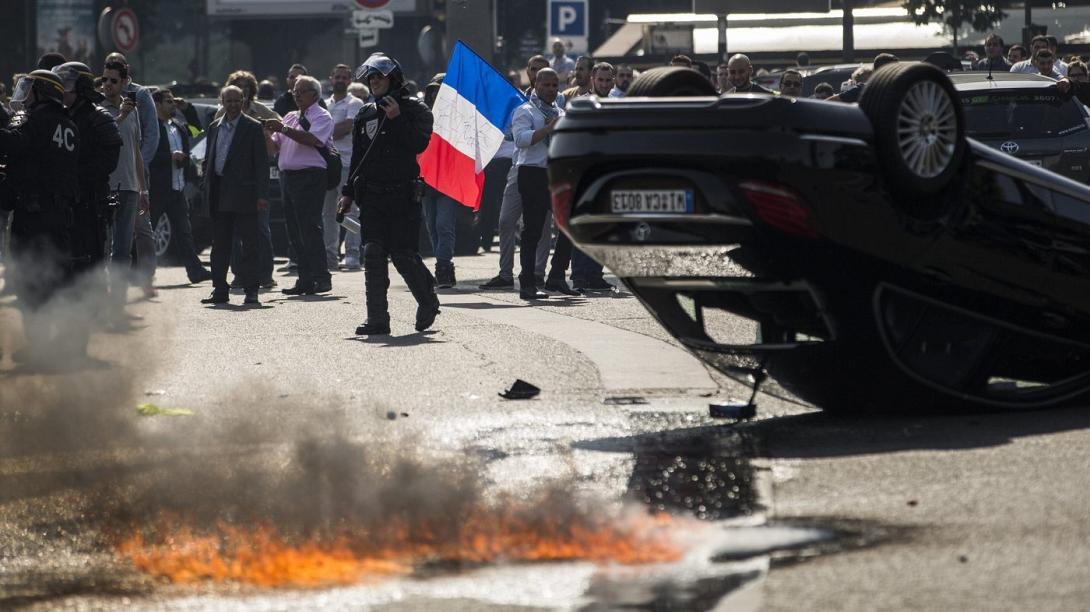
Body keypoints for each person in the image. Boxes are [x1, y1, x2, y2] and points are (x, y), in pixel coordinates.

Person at [336, 52, 439, 335]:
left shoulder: (415, 109)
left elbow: (418, 144)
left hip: (403, 195)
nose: (374, 81)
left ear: (393, 78)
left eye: (379, 76)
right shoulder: (365, 113)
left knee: (403, 254)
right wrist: (347, 193)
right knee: (372, 252)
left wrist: (396, 119)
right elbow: (359, 156)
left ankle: (428, 300)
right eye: (371, 77)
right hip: (371, 195)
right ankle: (377, 319)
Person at [0, 70, 81, 361]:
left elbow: (12, 143)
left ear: (41, 92)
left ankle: (39, 347)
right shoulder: (69, 125)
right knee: (55, 280)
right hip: (60, 215)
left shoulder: (33, 119)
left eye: (29, 87)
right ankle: (61, 345)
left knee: (27, 279)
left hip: (32, 214)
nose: (25, 93)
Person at [478, 56, 555, 291]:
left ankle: (537, 273)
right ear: (530, 73)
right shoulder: (518, 101)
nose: (549, 87)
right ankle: (505, 273)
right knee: (505, 221)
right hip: (520, 168)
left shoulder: (557, 102)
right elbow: (516, 135)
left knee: (541, 225)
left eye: (552, 82)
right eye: (533, 70)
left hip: (546, 170)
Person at [198, 85, 269, 306]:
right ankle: (219, 289)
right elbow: (209, 158)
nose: (233, 105)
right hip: (219, 192)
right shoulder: (214, 127)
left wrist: (262, 195)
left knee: (250, 245)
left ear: (244, 101)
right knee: (220, 245)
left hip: (245, 194)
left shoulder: (253, 127)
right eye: (228, 101)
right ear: (221, 102)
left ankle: (251, 291)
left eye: (237, 100)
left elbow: (261, 164)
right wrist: (205, 185)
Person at [264, 75, 334, 296]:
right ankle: (304, 279)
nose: (297, 95)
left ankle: (322, 277)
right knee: (294, 231)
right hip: (289, 177)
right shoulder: (290, 116)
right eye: (295, 91)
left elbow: (313, 140)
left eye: (301, 91)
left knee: (310, 227)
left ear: (314, 94)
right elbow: (274, 148)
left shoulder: (322, 116)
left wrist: (283, 129)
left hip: (310, 177)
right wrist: (266, 133)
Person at [51, 62, 122, 280]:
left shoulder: (99, 117)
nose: (63, 91)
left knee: (90, 262)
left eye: (68, 85)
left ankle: (94, 309)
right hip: (63, 201)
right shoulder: (59, 116)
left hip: (90, 202)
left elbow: (109, 161)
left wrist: (77, 176)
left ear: (81, 87)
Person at [101, 60, 157, 300]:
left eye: (113, 80)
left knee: (123, 247)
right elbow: (102, 135)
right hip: (104, 186)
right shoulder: (98, 109)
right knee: (102, 244)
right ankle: (100, 290)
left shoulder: (132, 110)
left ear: (124, 82)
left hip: (130, 187)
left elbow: (136, 151)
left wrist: (143, 190)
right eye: (104, 80)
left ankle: (118, 297)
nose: (107, 85)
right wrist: (121, 116)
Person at [511, 67, 563, 300]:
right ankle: (528, 283)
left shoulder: (560, 112)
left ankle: (557, 277)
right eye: (546, 85)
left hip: (556, 173)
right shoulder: (525, 111)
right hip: (532, 173)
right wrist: (547, 130)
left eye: (555, 85)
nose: (551, 90)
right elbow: (521, 140)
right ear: (536, 85)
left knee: (567, 227)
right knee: (532, 230)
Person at [150, 88, 211, 284]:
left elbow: (197, 132)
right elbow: (147, 155)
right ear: (157, 105)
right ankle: (140, 273)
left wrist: (188, 109)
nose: (173, 104)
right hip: (157, 188)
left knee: (184, 232)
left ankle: (195, 271)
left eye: (173, 101)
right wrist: (169, 157)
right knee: (146, 233)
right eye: (168, 102)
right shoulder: (151, 127)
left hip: (177, 187)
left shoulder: (179, 125)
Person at [323, 63, 365, 271]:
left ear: (349, 81)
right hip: (327, 165)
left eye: (344, 77)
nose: (339, 80)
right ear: (331, 78)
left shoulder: (354, 103)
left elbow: (347, 128)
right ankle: (330, 256)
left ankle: (352, 254)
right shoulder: (325, 104)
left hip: (347, 163)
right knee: (328, 213)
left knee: (349, 210)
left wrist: (321, 134)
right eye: (336, 77)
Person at [421, 73, 460, 287]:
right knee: (432, 227)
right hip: (427, 179)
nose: (437, 95)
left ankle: (443, 267)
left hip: (448, 179)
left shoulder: (457, 117)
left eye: (441, 90)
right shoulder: (422, 115)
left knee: (444, 225)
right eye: (434, 90)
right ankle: (442, 263)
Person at [104, 53, 159, 175]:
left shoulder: (140, 94)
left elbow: (152, 133)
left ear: (126, 68)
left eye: (119, 65)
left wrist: (141, 165)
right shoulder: (102, 96)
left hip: (134, 168)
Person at [829, 53, 898, 103]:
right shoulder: (865, 90)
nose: (898, 73)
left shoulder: (901, 90)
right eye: (894, 69)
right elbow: (828, 103)